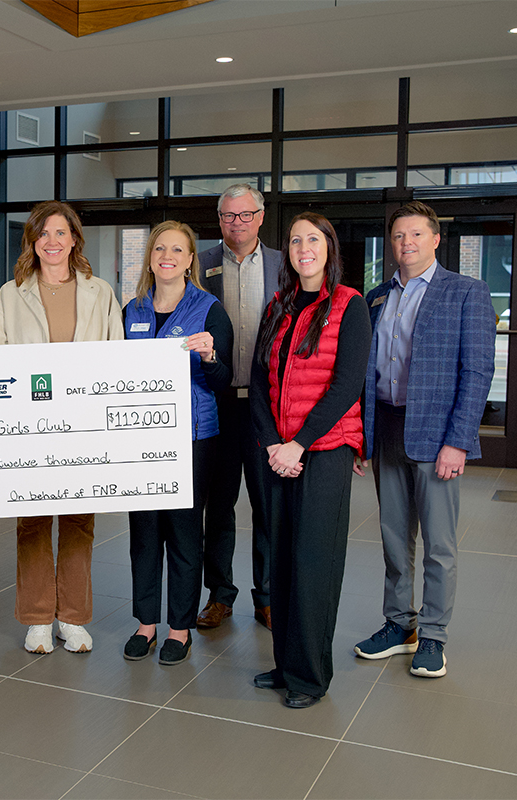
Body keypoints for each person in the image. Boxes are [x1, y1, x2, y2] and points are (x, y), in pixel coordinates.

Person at [353, 201, 495, 678]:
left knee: (438, 544)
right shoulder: (376, 297)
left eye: (415, 235)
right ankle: (400, 625)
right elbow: (364, 375)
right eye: (397, 236)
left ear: (436, 240)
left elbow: (477, 372)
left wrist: (459, 440)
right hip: (387, 428)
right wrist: (362, 437)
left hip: (437, 437)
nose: (406, 244)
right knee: (394, 538)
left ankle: (433, 635)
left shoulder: (466, 292)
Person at [0, 200, 124, 655]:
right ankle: (37, 617)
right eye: (43, 233)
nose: (52, 241)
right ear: (32, 240)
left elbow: (115, 354)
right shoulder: (12, 293)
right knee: (32, 519)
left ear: (74, 240)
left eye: (60, 233)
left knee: (78, 519)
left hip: (83, 423)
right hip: (30, 425)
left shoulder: (100, 291)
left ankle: (73, 617)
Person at [250, 212, 371, 708]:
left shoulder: (350, 305)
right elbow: (260, 379)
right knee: (281, 561)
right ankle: (286, 665)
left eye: (313, 239)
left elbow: (346, 385)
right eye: (296, 240)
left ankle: (311, 677)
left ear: (329, 248)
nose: (304, 247)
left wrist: (298, 444)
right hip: (280, 452)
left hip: (325, 452)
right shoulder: (278, 305)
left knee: (313, 565)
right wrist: (274, 444)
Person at [122, 221, 233, 665]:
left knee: (185, 533)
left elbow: (223, 381)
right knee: (144, 532)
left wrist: (208, 356)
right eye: (160, 249)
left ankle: (179, 627)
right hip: (139, 439)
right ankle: (146, 623)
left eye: (177, 250)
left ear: (191, 260)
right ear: (151, 257)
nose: (167, 256)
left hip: (190, 439)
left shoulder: (209, 310)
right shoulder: (132, 310)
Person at [198, 184, 283, 632]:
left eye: (245, 215)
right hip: (217, 401)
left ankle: (267, 595)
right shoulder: (201, 263)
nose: (237, 223)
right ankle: (220, 594)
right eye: (229, 216)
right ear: (219, 220)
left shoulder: (282, 265)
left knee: (267, 504)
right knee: (220, 504)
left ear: (261, 216)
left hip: (265, 405)